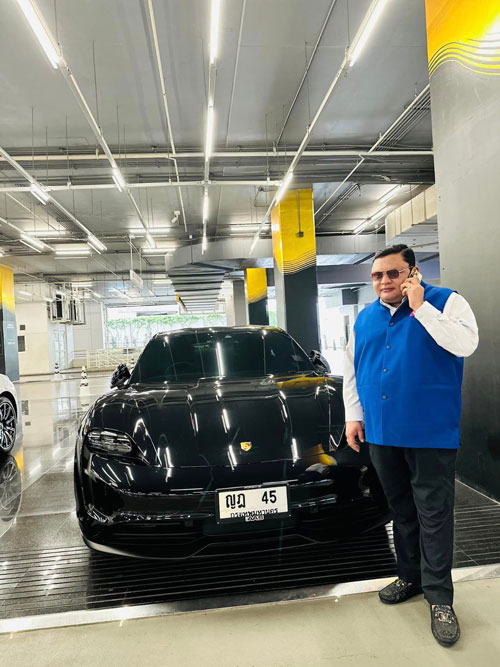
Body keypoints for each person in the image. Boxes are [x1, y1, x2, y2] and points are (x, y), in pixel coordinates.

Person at [343, 244, 478, 647]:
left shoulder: (447, 302)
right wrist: (353, 415)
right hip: (382, 432)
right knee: (401, 511)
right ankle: (410, 577)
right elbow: (352, 369)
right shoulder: (365, 318)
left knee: (433, 514)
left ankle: (440, 599)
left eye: (393, 273)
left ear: (413, 273)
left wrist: (421, 307)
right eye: (377, 275)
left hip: (430, 433)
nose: (384, 281)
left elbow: (465, 344)